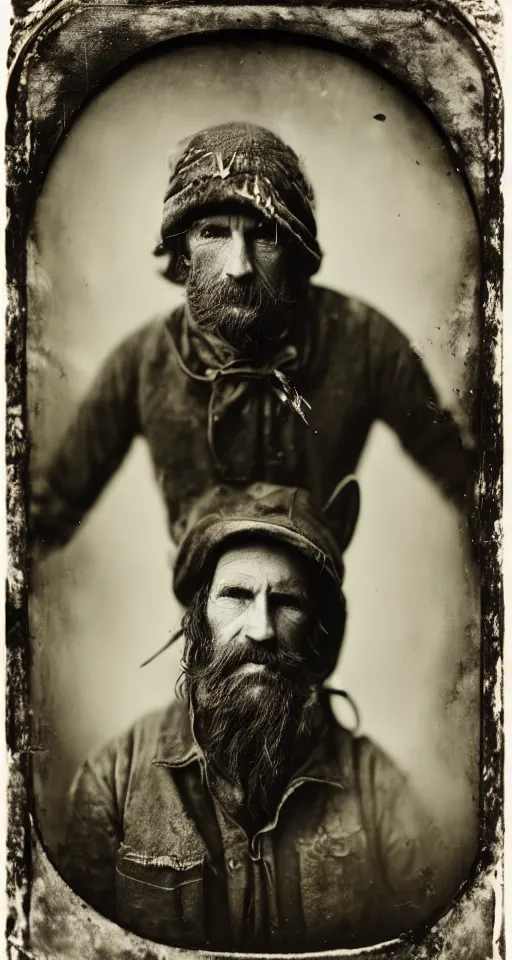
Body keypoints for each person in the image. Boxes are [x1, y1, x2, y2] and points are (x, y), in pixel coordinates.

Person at [30, 122, 474, 554]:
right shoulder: (140, 363)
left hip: (312, 607)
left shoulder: (367, 341)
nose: (238, 267)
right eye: (213, 233)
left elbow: (472, 480)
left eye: (264, 235)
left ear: (297, 255)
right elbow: (42, 518)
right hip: (203, 609)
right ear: (182, 257)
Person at [60, 481, 452, 951]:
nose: (261, 628)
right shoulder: (114, 781)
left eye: (286, 602)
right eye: (237, 595)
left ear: (316, 632)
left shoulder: (381, 795)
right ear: (199, 621)